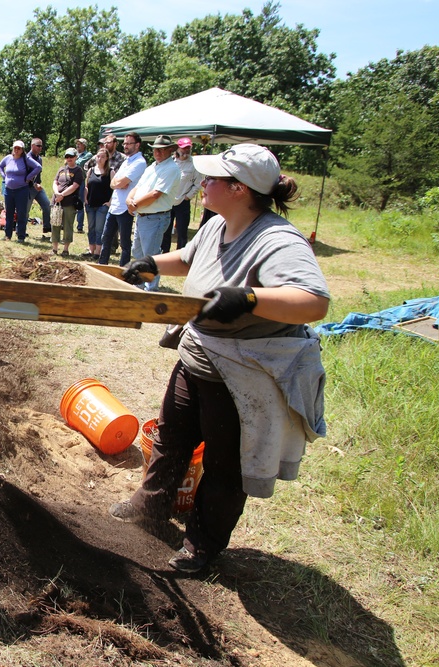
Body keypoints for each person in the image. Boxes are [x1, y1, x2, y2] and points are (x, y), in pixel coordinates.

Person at [109, 144, 330, 575]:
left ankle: (202, 544)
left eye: (211, 179)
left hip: (242, 372)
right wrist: (152, 263)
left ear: (238, 188)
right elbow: (188, 259)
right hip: (198, 356)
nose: (202, 183)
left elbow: (313, 302)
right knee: (171, 438)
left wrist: (250, 298)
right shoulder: (216, 225)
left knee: (224, 464)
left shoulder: (277, 239)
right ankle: (149, 508)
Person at [125, 135, 182, 290]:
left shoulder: (171, 168)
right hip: (143, 216)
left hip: (155, 217)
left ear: (170, 150)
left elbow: (156, 193)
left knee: (150, 256)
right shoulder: (153, 166)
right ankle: (140, 285)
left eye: (162, 149)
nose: (158, 152)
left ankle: (151, 290)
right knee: (138, 252)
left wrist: (134, 204)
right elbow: (138, 186)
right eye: (156, 149)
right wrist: (129, 200)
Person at [98, 132, 146, 266]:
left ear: (137, 145)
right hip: (114, 207)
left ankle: (123, 270)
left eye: (128, 143)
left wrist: (119, 183)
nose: (125, 146)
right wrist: (118, 183)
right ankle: (102, 266)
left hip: (126, 208)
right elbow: (113, 183)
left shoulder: (140, 162)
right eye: (124, 143)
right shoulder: (126, 161)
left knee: (124, 242)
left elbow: (120, 182)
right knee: (106, 238)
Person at [0, 140, 41, 243]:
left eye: (19, 148)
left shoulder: (26, 159)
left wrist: (28, 177)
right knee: (9, 213)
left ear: (22, 150)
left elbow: (38, 167)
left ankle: (21, 236)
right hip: (8, 190)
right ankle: (7, 235)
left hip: (21, 190)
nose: (16, 150)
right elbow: (0, 166)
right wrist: (4, 177)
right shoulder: (8, 158)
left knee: (21, 213)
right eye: (15, 148)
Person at [161, 137, 200, 252]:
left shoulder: (194, 164)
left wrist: (188, 197)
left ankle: (181, 255)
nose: (186, 151)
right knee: (166, 230)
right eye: (183, 148)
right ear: (177, 148)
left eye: (188, 148)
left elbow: (198, 184)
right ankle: (164, 253)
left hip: (183, 202)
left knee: (182, 232)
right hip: (168, 201)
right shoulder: (170, 161)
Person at [50, 148, 84, 256]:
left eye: (71, 157)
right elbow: (55, 182)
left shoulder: (78, 171)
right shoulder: (61, 169)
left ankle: (65, 249)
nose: (69, 159)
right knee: (55, 224)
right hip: (57, 202)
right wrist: (57, 193)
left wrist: (62, 195)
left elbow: (75, 186)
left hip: (69, 202)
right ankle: (54, 248)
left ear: (75, 157)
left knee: (67, 225)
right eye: (67, 157)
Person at [84, 148, 112, 259]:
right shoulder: (90, 170)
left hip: (102, 206)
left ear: (107, 159)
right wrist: (85, 199)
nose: (99, 159)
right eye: (98, 156)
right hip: (90, 204)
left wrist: (109, 202)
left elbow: (114, 189)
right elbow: (87, 186)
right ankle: (91, 250)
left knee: (99, 229)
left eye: (102, 157)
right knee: (91, 227)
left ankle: (98, 252)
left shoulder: (110, 172)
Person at [26, 137, 52, 234]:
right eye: (38, 146)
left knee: (47, 205)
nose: (40, 148)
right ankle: (21, 230)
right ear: (32, 146)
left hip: (38, 187)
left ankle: (47, 227)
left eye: (41, 146)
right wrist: (33, 185)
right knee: (26, 211)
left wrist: (38, 184)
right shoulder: (27, 158)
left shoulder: (39, 159)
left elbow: (38, 174)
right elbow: (26, 176)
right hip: (28, 188)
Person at [74, 138, 93, 232]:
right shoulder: (75, 154)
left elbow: (79, 163)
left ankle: (80, 226)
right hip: (71, 180)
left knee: (80, 202)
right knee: (70, 201)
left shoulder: (88, 155)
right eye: (77, 144)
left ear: (84, 145)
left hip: (81, 181)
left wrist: (73, 160)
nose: (77, 145)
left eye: (80, 144)